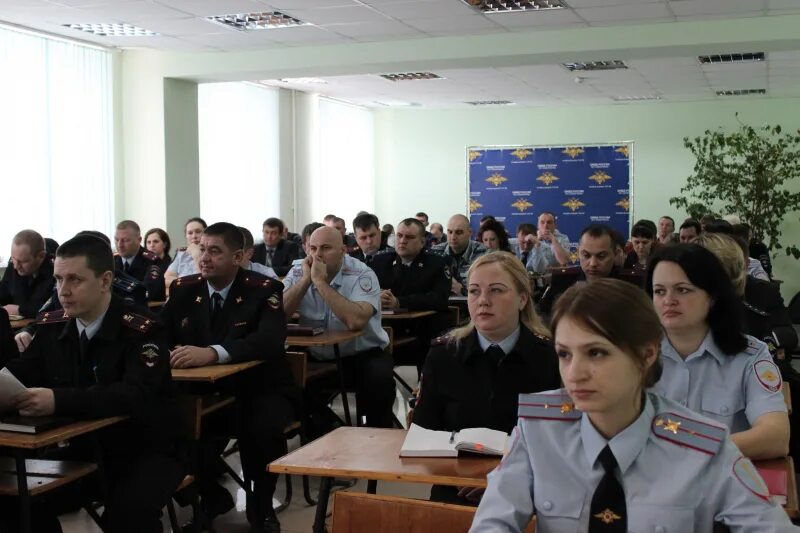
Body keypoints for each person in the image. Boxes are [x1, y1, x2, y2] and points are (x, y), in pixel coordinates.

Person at [470, 278, 799, 533]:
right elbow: (493, 522)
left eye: (597, 352)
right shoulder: (538, 429)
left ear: (647, 354)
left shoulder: (702, 446)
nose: (574, 374)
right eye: (564, 354)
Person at [2, 234, 184, 533]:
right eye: (58, 280)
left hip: (147, 448)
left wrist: (58, 400)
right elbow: (23, 370)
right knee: (15, 502)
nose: (63, 291)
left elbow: (133, 395)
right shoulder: (53, 325)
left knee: (128, 514)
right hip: (85, 448)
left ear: (105, 280)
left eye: (75, 280)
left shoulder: (142, 329)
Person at [160, 222, 298, 532]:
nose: (205, 257)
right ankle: (209, 497)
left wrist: (214, 352)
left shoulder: (263, 290)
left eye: (215, 251)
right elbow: (158, 334)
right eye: (202, 250)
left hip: (260, 388)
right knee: (167, 428)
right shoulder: (184, 289)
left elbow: (269, 341)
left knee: (261, 429)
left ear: (237, 257)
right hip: (203, 393)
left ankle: (261, 508)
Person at [414, 252, 559, 504]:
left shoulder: (551, 358)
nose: (483, 301)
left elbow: (560, 441)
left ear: (522, 299)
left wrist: (506, 478)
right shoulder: (444, 355)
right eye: (473, 291)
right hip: (457, 487)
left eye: (496, 291)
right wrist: (469, 477)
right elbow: (424, 432)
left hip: (532, 490)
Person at [647, 244, 789, 459]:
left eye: (682, 289)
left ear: (712, 297)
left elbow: (776, 437)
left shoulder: (749, 355)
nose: (668, 300)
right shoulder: (633, 353)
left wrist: (692, 447)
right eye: (659, 291)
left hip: (721, 483)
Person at [283, 226, 394, 433]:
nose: (317, 255)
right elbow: (276, 316)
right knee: (278, 376)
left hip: (361, 354)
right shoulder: (298, 270)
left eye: (325, 248)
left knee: (379, 382)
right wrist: (306, 280)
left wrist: (320, 282)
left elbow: (355, 321)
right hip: (315, 355)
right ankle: (327, 428)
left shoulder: (362, 273)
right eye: (312, 248)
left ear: (343, 250)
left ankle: (373, 439)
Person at [693, 232, 797, 357]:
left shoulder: (762, 291)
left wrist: (756, 342)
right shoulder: (686, 297)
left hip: (762, 365)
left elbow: (788, 335)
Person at [371, 218, 452, 369]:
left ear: (422, 242)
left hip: (424, 329)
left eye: (409, 237)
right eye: (399, 235)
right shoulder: (381, 261)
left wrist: (400, 302)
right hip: (388, 328)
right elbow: (366, 291)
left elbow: (439, 298)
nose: (402, 241)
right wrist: (377, 296)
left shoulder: (437, 263)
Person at [537, 224, 642, 315]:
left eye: (601, 256)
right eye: (586, 255)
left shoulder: (632, 284)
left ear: (615, 254)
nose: (593, 264)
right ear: (578, 252)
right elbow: (545, 318)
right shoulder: (562, 281)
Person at [0, 229, 55, 318]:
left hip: (40, 326)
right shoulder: (16, 262)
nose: (16, 266)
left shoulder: (55, 270)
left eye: (23, 261)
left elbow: (51, 309)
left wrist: (20, 310)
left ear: (41, 256)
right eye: (13, 259)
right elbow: (4, 293)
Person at [432, 214, 487, 296]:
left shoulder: (483, 253)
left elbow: (484, 290)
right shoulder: (435, 252)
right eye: (450, 232)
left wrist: (460, 289)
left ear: (470, 232)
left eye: (459, 232)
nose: (453, 237)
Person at [114, 220, 166, 302]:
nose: (120, 245)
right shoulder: (112, 261)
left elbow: (148, 293)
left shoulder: (152, 261)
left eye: (126, 240)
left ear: (139, 240)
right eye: (116, 240)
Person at [165, 217, 207, 287]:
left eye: (198, 232)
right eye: (190, 233)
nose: (194, 236)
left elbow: (205, 281)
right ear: (186, 236)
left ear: (206, 234)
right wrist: (188, 284)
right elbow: (167, 279)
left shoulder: (211, 254)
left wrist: (196, 254)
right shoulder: (181, 254)